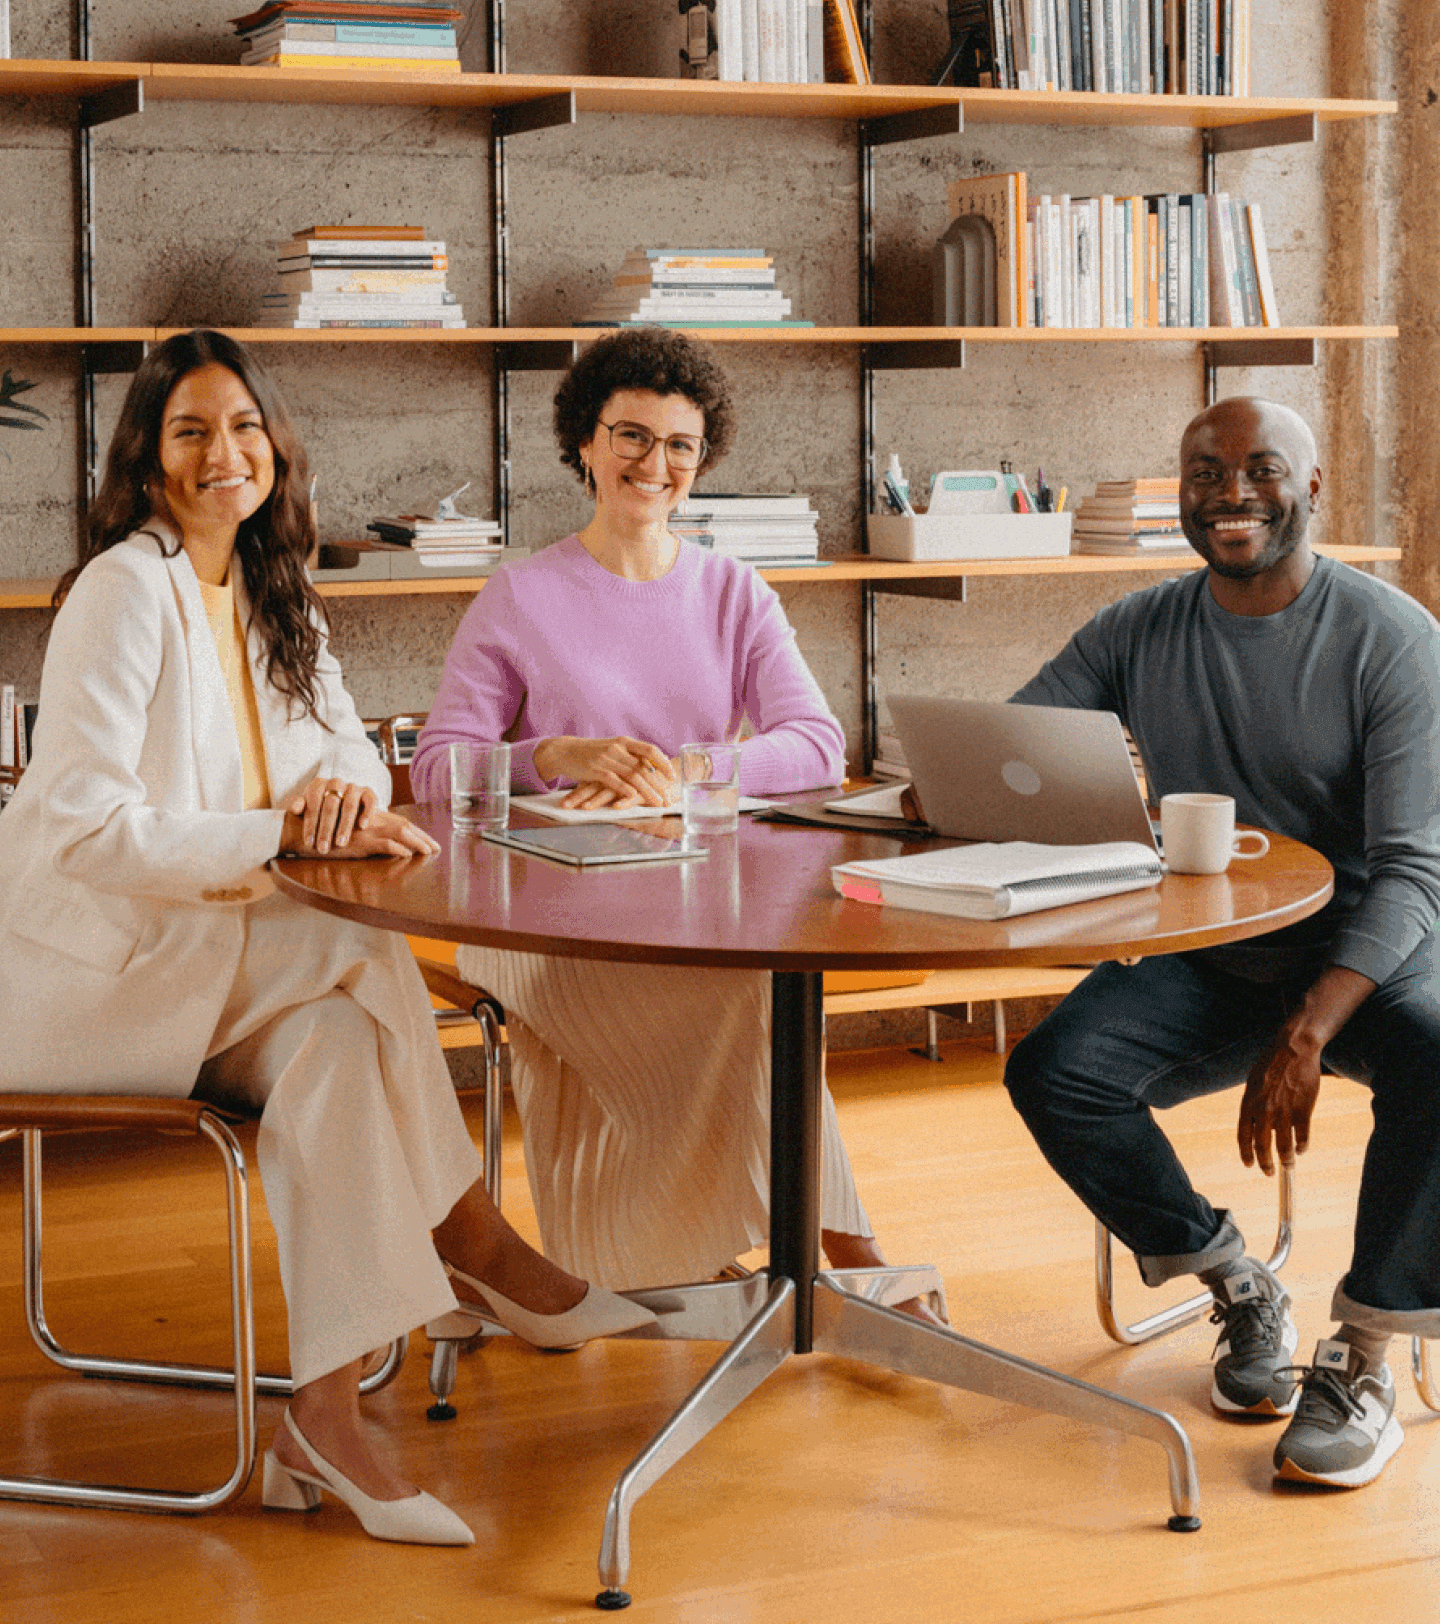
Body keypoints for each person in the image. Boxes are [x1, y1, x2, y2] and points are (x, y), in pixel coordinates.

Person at [0, 329, 656, 1548]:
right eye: (190, 429)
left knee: (334, 1052)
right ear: (147, 459)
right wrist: (277, 831)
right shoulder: (124, 590)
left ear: (275, 448)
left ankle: (322, 1422)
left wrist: (344, 800)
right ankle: (472, 1238)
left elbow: (350, 743)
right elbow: (89, 831)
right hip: (89, 980)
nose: (224, 452)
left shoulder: (268, 585)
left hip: (222, 977)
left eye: (244, 426)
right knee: (347, 951)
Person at [411, 327, 934, 1313]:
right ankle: (839, 1250)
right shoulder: (518, 595)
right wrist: (551, 756)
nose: (654, 464)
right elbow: (436, 772)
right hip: (534, 912)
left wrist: (687, 772)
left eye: (679, 445)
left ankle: (738, 1257)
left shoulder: (733, 590)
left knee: (749, 990)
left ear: (702, 460)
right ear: (585, 444)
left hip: (692, 898)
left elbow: (816, 745)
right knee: (744, 1003)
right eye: (632, 437)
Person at [1002, 395, 1440, 1488]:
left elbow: (1417, 870)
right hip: (1218, 949)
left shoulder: (1391, 638)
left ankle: (1368, 1351)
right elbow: (1015, 748)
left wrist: (1309, 1029)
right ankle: (1235, 1277)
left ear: (1314, 486)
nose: (1231, 494)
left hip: (1365, 958)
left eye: (1260, 468)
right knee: (1057, 1071)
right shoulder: (1137, 627)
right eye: (1205, 473)